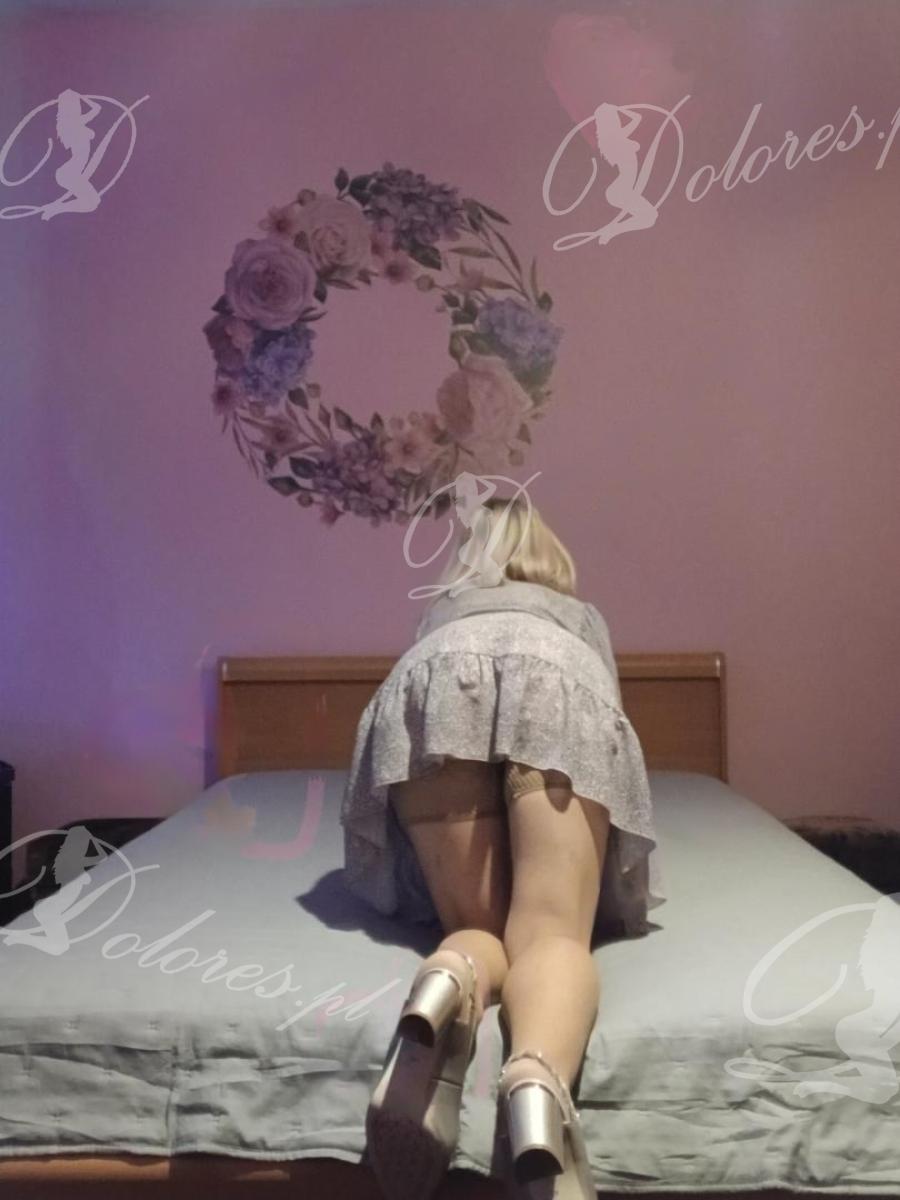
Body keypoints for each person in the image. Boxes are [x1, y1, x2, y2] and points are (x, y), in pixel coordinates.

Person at [340, 494, 665, 1199]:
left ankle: (447, 979)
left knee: (477, 927)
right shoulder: (577, 620)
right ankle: (538, 1083)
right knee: (549, 933)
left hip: (435, 682)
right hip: (556, 681)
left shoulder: (442, 613)